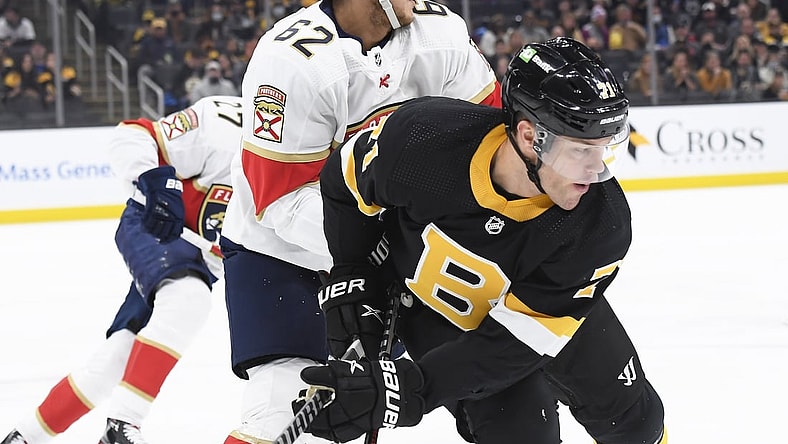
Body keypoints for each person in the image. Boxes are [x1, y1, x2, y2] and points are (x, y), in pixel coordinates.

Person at [300, 37, 667, 444]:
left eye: (603, 150)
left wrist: (415, 387)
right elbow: (343, 184)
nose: (595, 170)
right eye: (581, 150)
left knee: (636, 425)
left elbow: (521, 339)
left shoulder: (600, 225)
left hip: (536, 315)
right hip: (433, 309)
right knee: (522, 434)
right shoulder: (422, 140)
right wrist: (354, 273)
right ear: (529, 137)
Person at [218, 0, 502, 442]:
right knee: (279, 410)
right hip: (279, 254)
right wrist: (393, 243)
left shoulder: (441, 34)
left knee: (489, 389)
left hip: (405, 254)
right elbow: (280, 201)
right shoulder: (290, 61)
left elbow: (493, 146)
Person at [1, 95, 243, 444]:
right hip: (156, 229)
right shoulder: (226, 120)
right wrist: (156, 182)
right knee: (189, 299)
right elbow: (132, 135)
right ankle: (122, 425)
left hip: (200, 262)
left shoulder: (319, 154)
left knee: (117, 359)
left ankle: (24, 437)